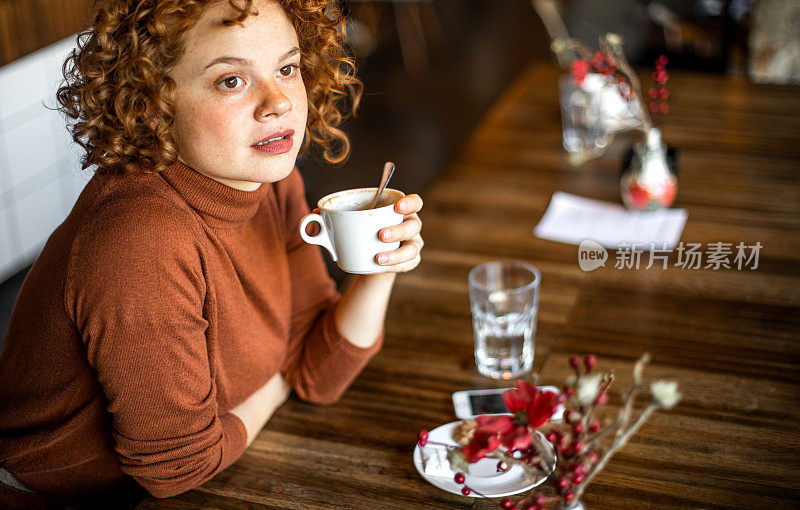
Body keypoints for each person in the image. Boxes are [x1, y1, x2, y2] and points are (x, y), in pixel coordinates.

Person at [0, 0, 424, 508]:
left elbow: (317, 372)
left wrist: (381, 264)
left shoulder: (270, 182)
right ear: (154, 101)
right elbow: (178, 467)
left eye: (286, 68)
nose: (279, 102)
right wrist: (276, 385)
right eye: (231, 80)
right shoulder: (140, 241)